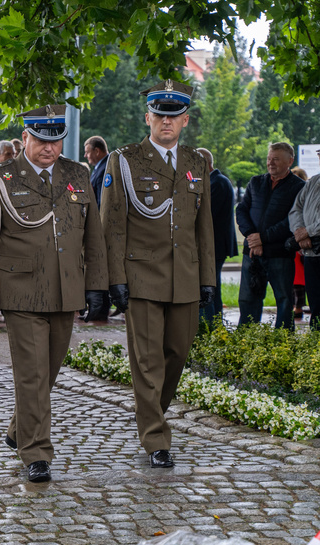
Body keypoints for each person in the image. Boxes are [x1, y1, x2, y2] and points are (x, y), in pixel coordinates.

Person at [0, 105, 108, 483]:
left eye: (56, 139)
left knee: (48, 371)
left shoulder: (77, 174)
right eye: (42, 140)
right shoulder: (0, 178)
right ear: (26, 137)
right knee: (31, 374)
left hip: (66, 289)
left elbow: (92, 233)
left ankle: (19, 428)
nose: (49, 147)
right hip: (20, 291)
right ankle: (37, 452)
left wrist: (97, 286)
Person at [101, 79, 215, 469]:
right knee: (147, 360)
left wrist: (208, 279)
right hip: (142, 275)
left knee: (176, 354)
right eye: (159, 115)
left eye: (174, 116)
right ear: (148, 117)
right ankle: (155, 437)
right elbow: (112, 225)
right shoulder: (125, 160)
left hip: (184, 275)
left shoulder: (197, 163)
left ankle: (152, 412)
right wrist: (114, 277)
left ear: (185, 120)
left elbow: (204, 226)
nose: (166, 122)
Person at [235, 142, 304, 330]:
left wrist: (262, 238)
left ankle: (282, 343)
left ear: (290, 161)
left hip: (280, 254)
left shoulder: (299, 187)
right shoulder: (256, 182)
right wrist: (251, 236)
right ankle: (246, 340)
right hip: (252, 253)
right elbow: (241, 210)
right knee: (248, 297)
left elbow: (293, 220)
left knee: (284, 299)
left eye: (276, 159)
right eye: (269, 159)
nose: (270, 163)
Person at [196, 148, 237, 324]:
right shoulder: (213, 181)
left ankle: (209, 326)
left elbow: (204, 215)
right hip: (212, 245)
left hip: (212, 245)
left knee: (206, 288)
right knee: (211, 287)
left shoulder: (217, 183)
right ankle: (214, 326)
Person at [289, 170, 320, 330]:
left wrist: (308, 231)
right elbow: (295, 210)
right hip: (311, 252)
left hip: (312, 242)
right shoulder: (313, 182)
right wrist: (300, 233)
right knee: (315, 303)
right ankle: (316, 345)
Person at [290, 166, 310, 318]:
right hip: (293, 239)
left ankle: (299, 306)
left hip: (303, 239)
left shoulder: (307, 193)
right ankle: (297, 306)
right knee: (295, 277)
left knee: (302, 278)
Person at [83, 135, 109, 207]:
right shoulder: (101, 167)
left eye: (87, 152)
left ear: (97, 151)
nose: (85, 156)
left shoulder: (105, 169)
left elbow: (102, 202)